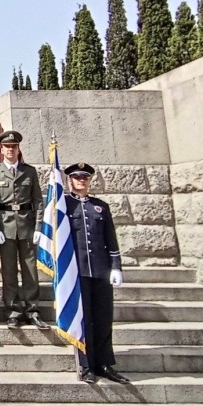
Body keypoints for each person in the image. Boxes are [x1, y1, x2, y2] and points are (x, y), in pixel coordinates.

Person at [64, 163, 129, 384]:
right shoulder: (64, 206)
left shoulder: (100, 206)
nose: (81, 180)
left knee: (103, 318)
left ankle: (104, 363)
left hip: (100, 270)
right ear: (70, 181)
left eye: (85, 177)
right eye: (77, 177)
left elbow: (110, 238)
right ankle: (85, 364)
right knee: (84, 320)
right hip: (77, 271)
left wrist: (116, 266)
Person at [0, 130, 47, 329]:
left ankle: (33, 310)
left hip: (27, 225)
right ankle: (12, 310)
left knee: (30, 270)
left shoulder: (29, 171)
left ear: (18, 149)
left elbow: (38, 201)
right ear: (1, 149)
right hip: (5, 226)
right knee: (9, 271)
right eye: (7, 147)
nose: (10, 150)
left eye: (14, 147)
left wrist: (39, 227)